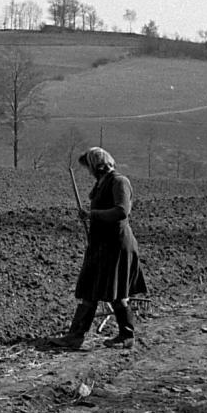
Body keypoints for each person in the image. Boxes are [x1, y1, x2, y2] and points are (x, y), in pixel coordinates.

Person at [49, 147, 148, 349]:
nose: (89, 171)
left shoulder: (119, 181)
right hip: (101, 245)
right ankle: (76, 337)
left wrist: (92, 215)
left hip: (116, 245)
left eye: (89, 167)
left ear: (97, 165)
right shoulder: (102, 183)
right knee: (90, 290)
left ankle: (126, 337)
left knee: (117, 294)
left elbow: (122, 211)